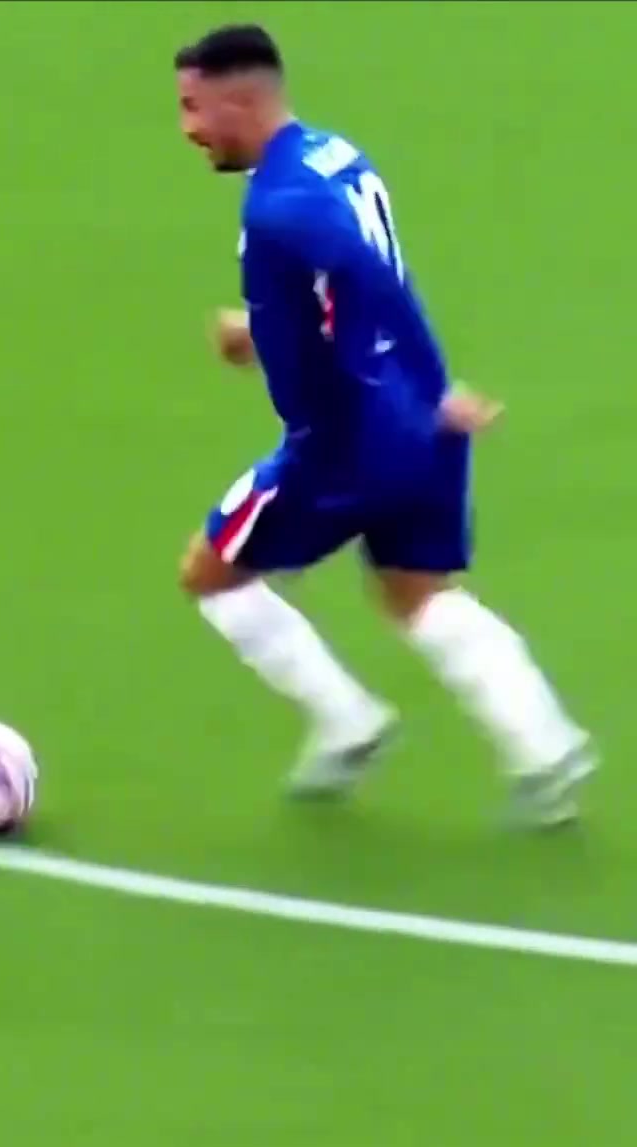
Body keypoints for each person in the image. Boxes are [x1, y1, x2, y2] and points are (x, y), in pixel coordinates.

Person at [174, 23, 595, 825]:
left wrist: (377, 394)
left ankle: (346, 721)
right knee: (417, 592)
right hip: (422, 421)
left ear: (241, 100)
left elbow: (359, 281)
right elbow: (360, 295)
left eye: (195, 108)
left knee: (210, 571)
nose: (188, 128)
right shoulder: (335, 155)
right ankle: (546, 747)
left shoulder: (281, 206)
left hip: (344, 445)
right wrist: (425, 391)